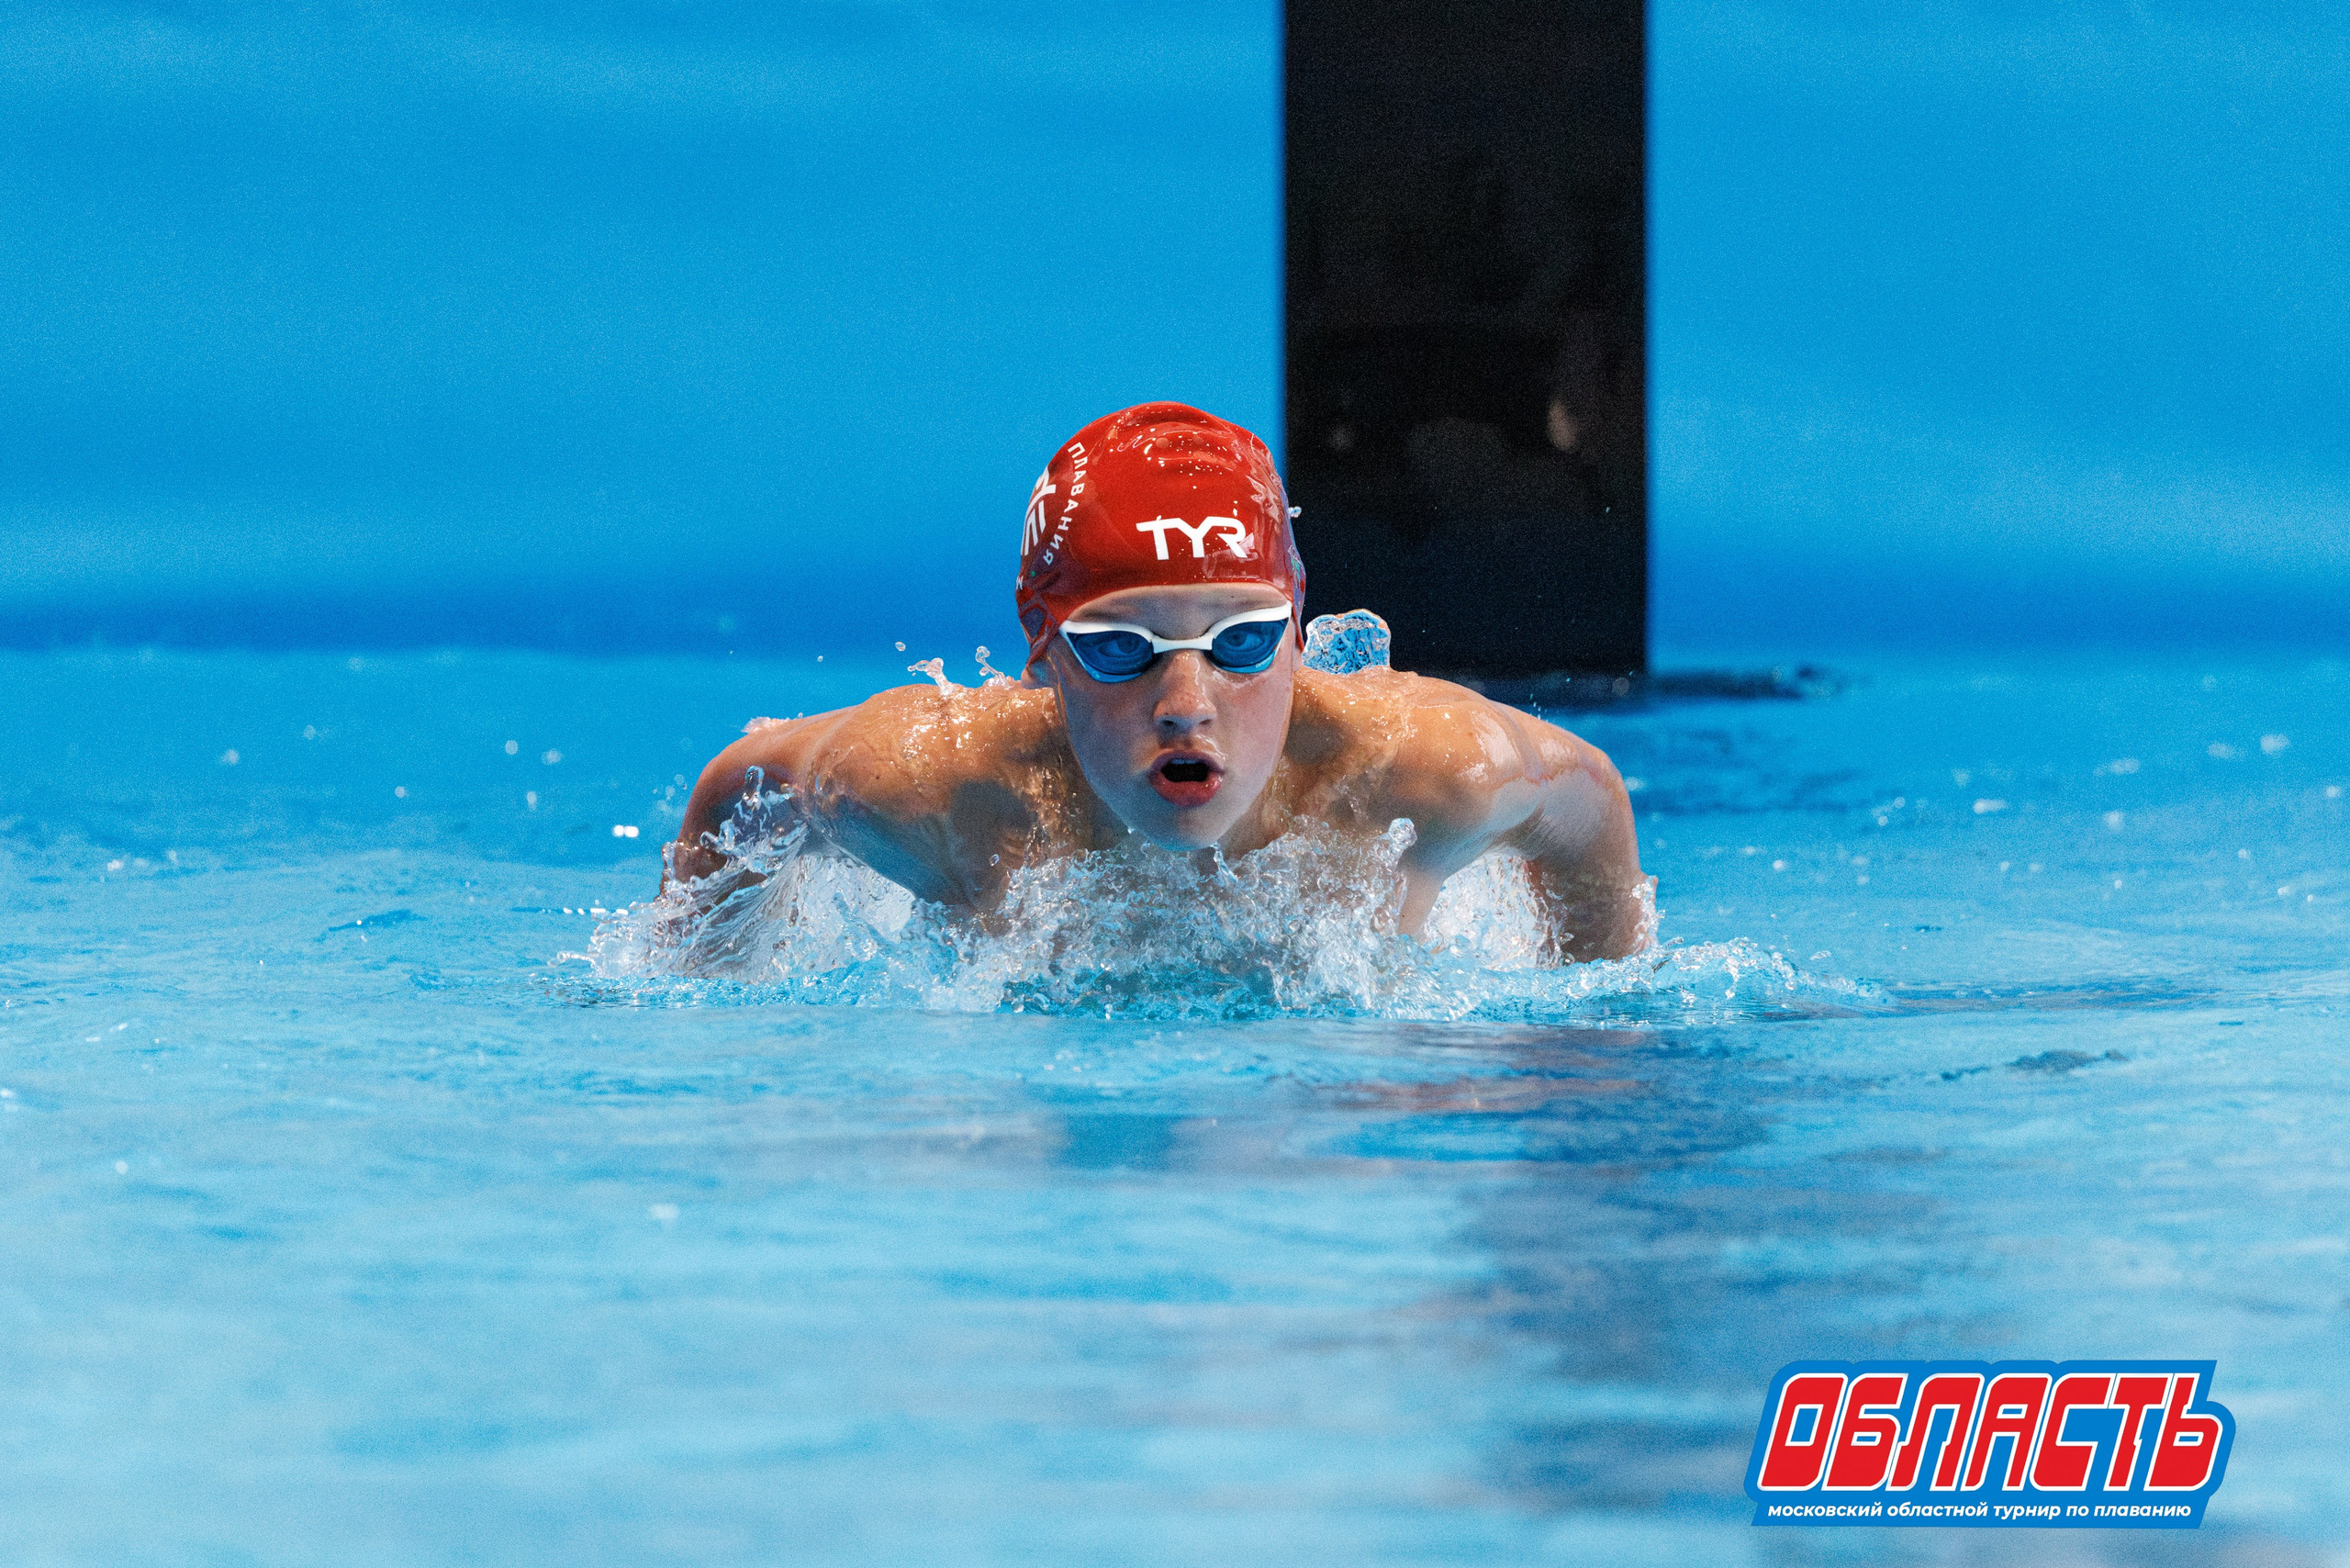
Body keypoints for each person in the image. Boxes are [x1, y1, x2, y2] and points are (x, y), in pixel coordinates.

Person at [668, 402, 1651, 963]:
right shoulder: (931, 786)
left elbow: (1589, 796)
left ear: (1298, 630)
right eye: (1120, 647)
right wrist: (706, 994)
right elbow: (738, 789)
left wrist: (1589, 1045)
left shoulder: (1419, 777)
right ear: (1041, 645)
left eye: (1242, 641)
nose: (1186, 702)